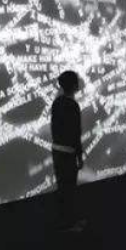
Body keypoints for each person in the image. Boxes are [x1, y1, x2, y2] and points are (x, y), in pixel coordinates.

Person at [50, 70, 85, 232]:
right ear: (74, 85)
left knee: (63, 188)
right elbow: (75, 133)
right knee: (69, 190)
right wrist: (79, 156)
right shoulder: (73, 105)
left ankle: (67, 221)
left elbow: (54, 128)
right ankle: (69, 224)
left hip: (57, 150)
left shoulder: (56, 103)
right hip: (68, 153)